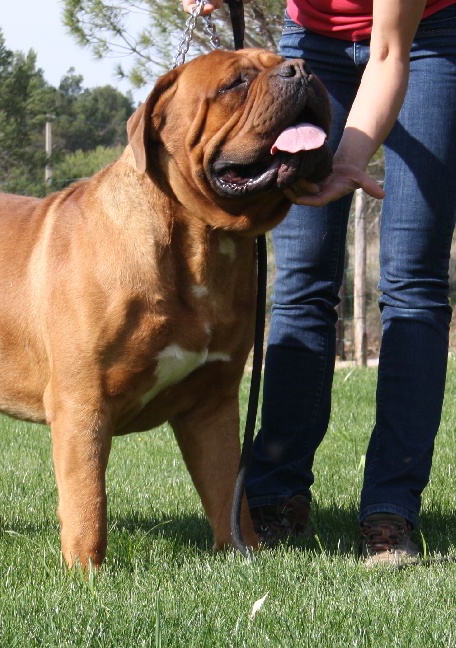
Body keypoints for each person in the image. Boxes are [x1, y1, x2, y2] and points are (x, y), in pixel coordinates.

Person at [183, 0, 456, 566]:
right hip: (311, 45)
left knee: (412, 281)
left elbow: (387, 53)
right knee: (302, 279)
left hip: (426, 39)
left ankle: (391, 508)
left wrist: (346, 161)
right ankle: (276, 496)